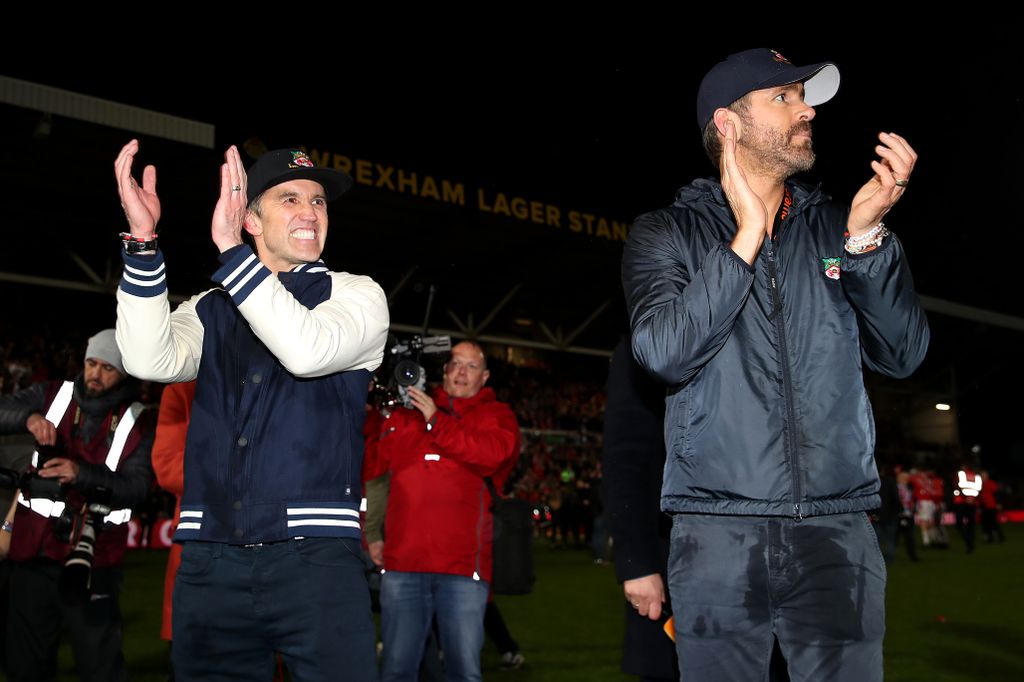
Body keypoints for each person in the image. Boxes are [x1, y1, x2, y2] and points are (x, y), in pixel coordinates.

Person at [621, 48, 930, 681]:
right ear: (729, 125)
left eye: (803, 97)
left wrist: (868, 244)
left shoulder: (836, 229)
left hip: (837, 529)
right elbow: (662, 355)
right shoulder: (665, 232)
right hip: (716, 533)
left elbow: (903, 356)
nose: (807, 109)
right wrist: (744, 238)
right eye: (784, 98)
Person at [113, 140, 390, 681]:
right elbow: (147, 357)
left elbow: (306, 351)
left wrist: (233, 254)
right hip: (210, 557)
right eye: (289, 199)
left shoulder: (357, 295)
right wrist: (143, 245)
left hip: (316, 558)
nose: (310, 212)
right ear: (251, 219)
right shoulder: (211, 307)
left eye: (318, 201)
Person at [0, 329, 155, 682]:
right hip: (32, 554)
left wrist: (80, 473)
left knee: (99, 667)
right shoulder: (52, 394)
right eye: (91, 363)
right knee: (24, 666)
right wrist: (28, 418)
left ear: (125, 372)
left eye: (107, 368)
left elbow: (137, 486)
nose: (96, 374)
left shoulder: (139, 419)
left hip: (93, 560)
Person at [376, 341, 520, 682]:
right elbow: (376, 468)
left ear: (484, 377)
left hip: (461, 568)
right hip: (403, 563)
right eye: (455, 363)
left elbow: (491, 454)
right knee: (396, 670)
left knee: (463, 673)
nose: (460, 372)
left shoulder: (496, 416)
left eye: (470, 367)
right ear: (443, 369)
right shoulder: (408, 410)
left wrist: (436, 421)